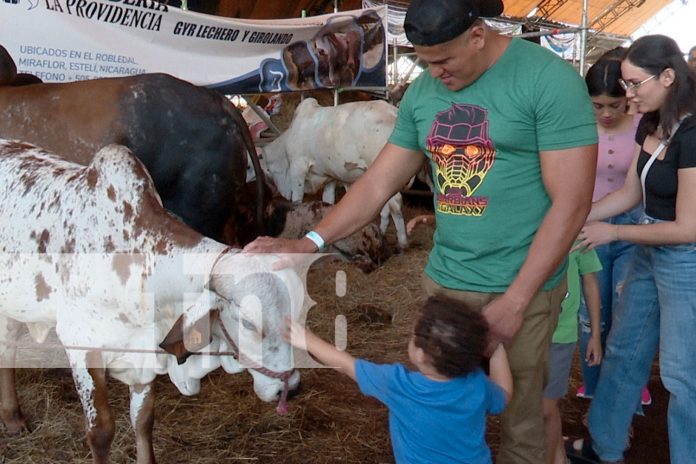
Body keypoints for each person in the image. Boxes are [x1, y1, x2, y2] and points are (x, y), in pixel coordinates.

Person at [245, 0, 598, 461]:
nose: (435, 73)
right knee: (442, 408)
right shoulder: (425, 91)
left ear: (477, 35)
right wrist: (308, 242)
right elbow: (378, 182)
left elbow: (571, 203)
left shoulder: (548, 81)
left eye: (444, 61)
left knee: (521, 421)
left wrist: (515, 302)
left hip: (522, 287)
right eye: (425, 62)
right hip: (447, 287)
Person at [568, 34, 696, 464]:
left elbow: (688, 228)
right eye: (625, 84)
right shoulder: (651, 121)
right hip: (649, 247)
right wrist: (578, 217)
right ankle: (605, 446)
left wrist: (615, 234)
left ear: (668, 76)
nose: (629, 95)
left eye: (635, 84)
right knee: (624, 347)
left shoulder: (693, 132)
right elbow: (630, 193)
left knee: (682, 374)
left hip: (684, 259)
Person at [285, 295, 513, 464]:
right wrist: (497, 348)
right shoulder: (476, 384)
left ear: (421, 355)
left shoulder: (399, 385)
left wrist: (306, 339)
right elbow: (504, 394)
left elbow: (345, 365)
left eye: (413, 337)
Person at [575, 52, 652, 406]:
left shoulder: (644, 128)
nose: (606, 114)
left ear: (628, 98)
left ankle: (627, 393)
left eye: (615, 105)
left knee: (626, 313)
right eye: (596, 105)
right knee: (591, 314)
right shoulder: (575, 126)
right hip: (587, 229)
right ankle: (593, 385)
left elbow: (637, 186)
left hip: (631, 228)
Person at [543, 245, 602, 464]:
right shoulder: (524, 227)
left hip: (561, 336)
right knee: (542, 407)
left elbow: (591, 282)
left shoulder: (579, 234)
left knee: (545, 408)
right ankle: (559, 458)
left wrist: (594, 335)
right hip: (528, 333)